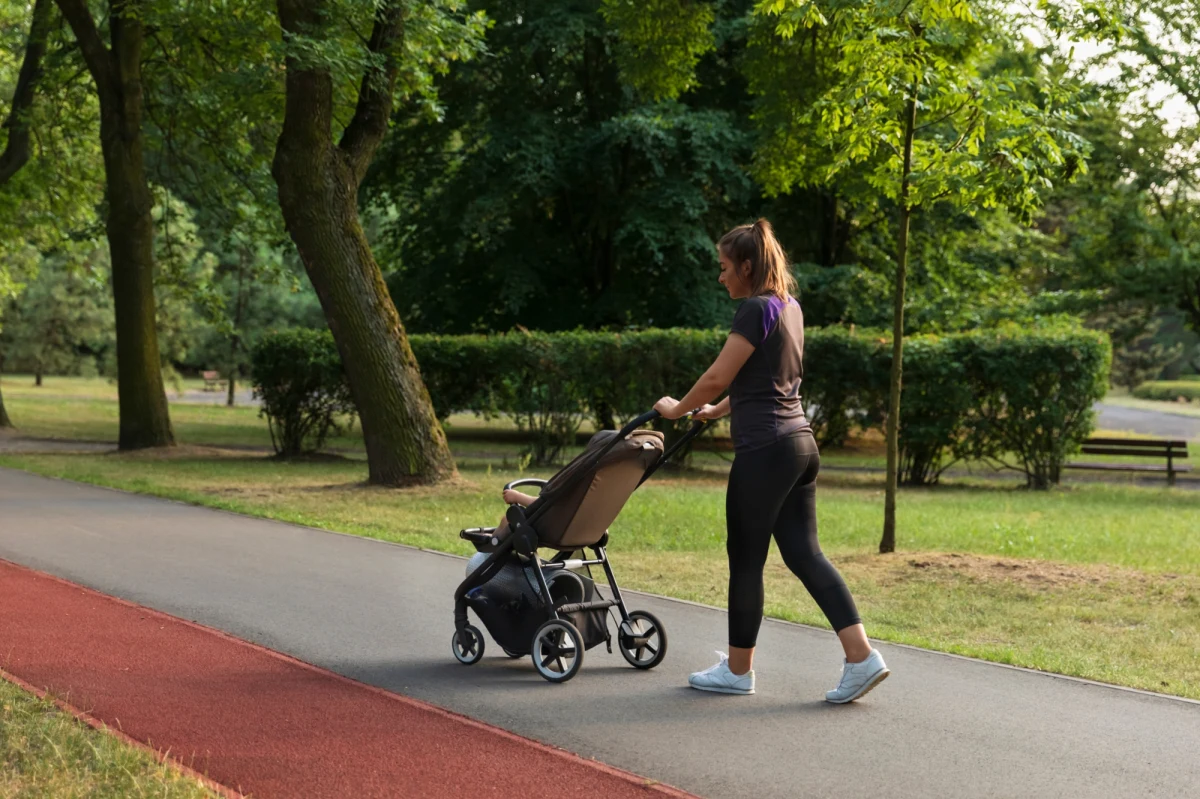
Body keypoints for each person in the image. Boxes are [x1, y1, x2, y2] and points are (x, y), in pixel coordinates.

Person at [653, 218, 889, 703]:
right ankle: (862, 657)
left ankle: (738, 672)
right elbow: (763, 382)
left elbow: (720, 375)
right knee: (805, 554)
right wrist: (713, 412)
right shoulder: (789, 307)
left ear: (746, 265)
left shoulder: (754, 309)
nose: (721, 278)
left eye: (724, 268)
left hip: (765, 452)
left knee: (745, 561)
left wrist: (676, 410)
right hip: (800, 445)